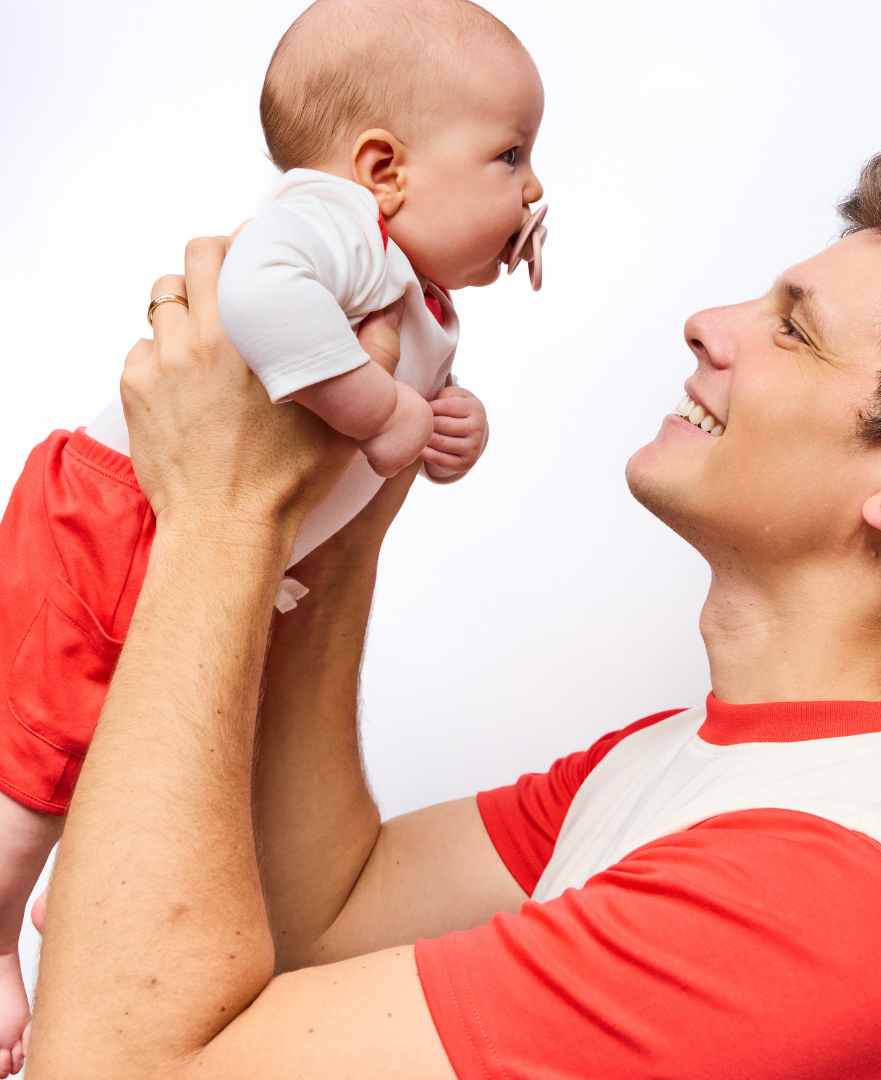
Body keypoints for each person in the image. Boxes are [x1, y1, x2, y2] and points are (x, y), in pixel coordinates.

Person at [23, 143, 881, 1080]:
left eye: (793, 331)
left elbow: (114, 1067)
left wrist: (218, 513)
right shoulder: (702, 763)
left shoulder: (829, 897)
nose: (707, 325)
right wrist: (343, 513)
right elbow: (327, 914)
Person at [0, 0, 545, 1056]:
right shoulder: (333, 222)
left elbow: (399, 409)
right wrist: (383, 411)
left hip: (217, 539)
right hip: (114, 511)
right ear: (383, 166)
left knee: (175, 751)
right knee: (38, 757)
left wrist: (446, 425)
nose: (533, 189)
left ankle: (91, 914)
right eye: (510, 154)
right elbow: (254, 291)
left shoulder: (424, 294)